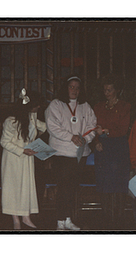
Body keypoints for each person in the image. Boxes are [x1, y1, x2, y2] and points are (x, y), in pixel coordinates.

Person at [45, 76, 97, 231]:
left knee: (73, 188)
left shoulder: (85, 106)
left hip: (80, 154)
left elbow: (92, 125)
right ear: (65, 88)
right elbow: (52, 127)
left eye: (77, 87)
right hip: (61, 153)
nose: (74, 90)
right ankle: (60, 221)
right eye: (71, 87)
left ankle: (68, 219)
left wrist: (85, 138)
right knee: (63, 188)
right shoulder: (56, 104)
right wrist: (71, 137)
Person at [0, 88, 46, 230]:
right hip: (13, 159)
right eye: (36, 104)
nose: (38, 107)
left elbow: (43, 127)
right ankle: (16, 220)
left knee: (26, 187)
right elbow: (4, 142)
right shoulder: (11, 121)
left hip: (27, 159)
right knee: (13, 189)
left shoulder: (31, 118)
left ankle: (26, 217)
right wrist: (22, 150)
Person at [93, 74, 131, 225]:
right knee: (104, 182)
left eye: (109, 90)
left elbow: (122, 129)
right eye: (105, 90)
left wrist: (106, 131)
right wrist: (96, 141)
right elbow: (93, 127)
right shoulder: (98, 107)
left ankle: (119, 219)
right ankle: (106, 218)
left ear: (117, 90)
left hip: (119, 146)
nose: (106, 93)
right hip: (102, 147)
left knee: (119, 183)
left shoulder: (125, 106)